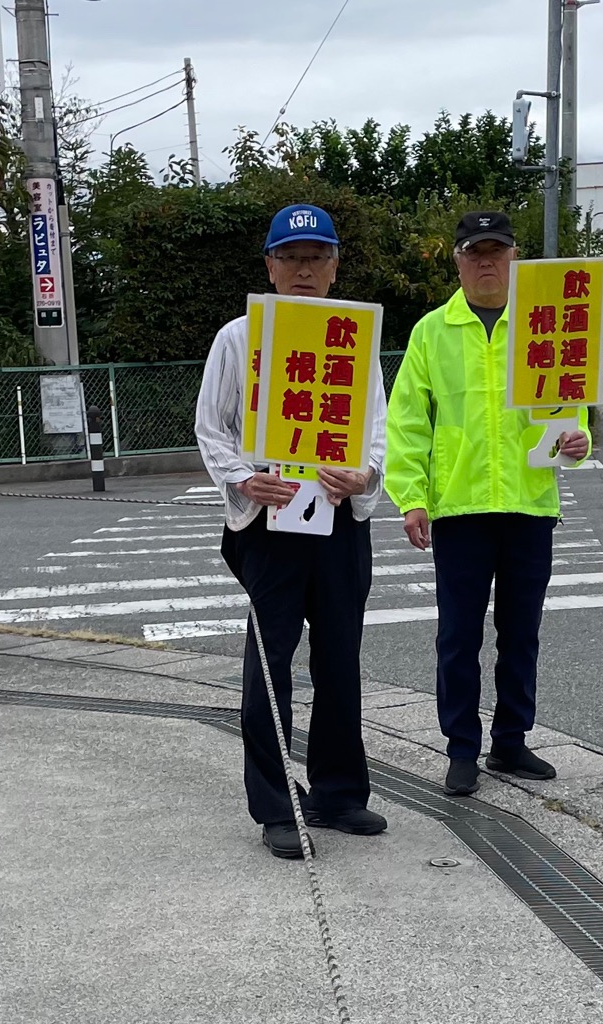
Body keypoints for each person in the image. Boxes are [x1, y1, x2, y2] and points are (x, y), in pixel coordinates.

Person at [195, 204, 388, 858]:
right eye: (291, 259)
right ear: (270, 267)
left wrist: (364, 477)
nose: (304, 270)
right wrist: (246, 478)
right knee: (268, 663)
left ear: (334, 268)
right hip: (268, 525)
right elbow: (210, 427)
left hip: (337, 522)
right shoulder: (238, 337)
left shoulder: (353, 337)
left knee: (339, 660)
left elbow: (377, 430)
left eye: (317, 259)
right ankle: (277, 807)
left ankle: (338, 794)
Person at [384, 211, 591, 797]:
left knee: (521, 632)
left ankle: (510, 741)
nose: (486, 263)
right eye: (475, 252)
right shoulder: (432, 332)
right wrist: (412, 498)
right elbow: (407, 424)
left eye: (496, 252)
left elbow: (570, 415)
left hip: (529, 504)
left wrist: (579, 442)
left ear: (514, 259)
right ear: (458, 260)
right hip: (460, 509)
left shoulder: (543, 325)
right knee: (457, 637)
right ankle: (461, 748)